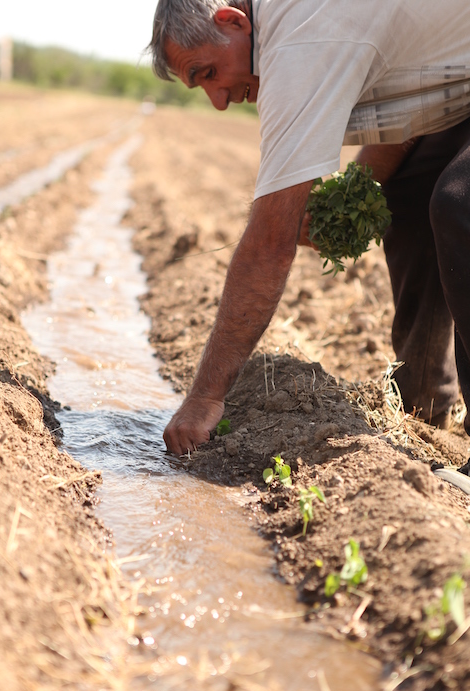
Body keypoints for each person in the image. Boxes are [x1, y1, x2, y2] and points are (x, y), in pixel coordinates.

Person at [148, 0, 470, 457]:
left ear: (231, 21)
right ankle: (424, 408)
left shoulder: (298, 38)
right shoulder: (298, 24)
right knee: (411, 190)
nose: (218, 100)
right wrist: (347, 196)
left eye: (206, 73)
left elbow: (269, 246)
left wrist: (204, 397)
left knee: (460, 204)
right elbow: (407, 124)